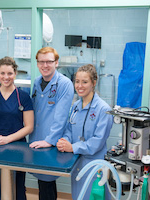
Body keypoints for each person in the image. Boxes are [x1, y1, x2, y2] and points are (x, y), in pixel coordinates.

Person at [57, 64, 113, 200]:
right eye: (77, 81)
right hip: (77, 163)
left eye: (85, 82)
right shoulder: (76, 106)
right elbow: (69, 129)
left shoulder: (103, 109)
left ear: (94, 83)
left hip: (94, 166)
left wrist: (72, 147)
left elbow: (97, 142)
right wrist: (65, 141)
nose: (79, 86)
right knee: (78, 196)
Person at [0, 56, 34, 200]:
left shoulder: (23, 97)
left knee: (18, 185)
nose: (6, 77)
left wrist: (7, 139)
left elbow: (29, 127)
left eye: (10, 73)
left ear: (15, 73)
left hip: (18, 146)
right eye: (2, 73)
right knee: (0, 183)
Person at [29, 47, 74, 200]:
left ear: (56, 63)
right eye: (41, 62)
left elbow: (61, 117)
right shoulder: (36, 82)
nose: (45, 65)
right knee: (43, 181)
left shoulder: (64, 83)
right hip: (36, 137)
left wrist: (49, 140)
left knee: (47, 179)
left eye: (49, 61)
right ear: (37, 64)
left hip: (51, 139)